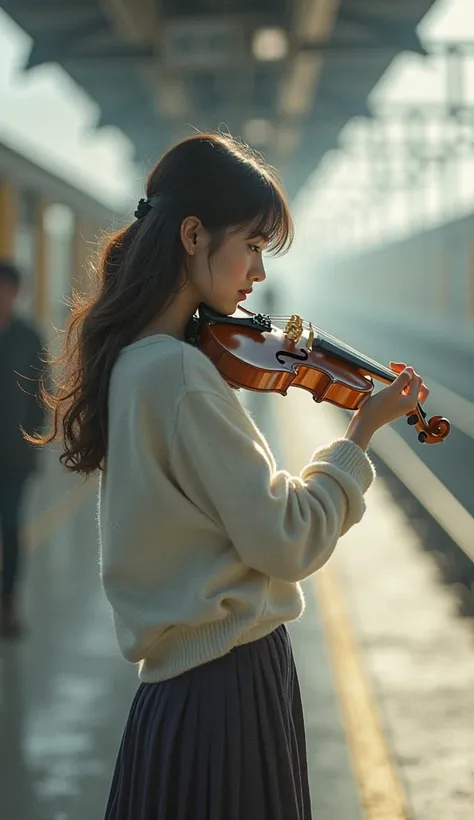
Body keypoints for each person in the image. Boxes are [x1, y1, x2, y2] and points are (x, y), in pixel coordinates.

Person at [28, 133, 428, 819]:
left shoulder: (136, 361)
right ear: (193, 235)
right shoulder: (182, 374)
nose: (259, 275)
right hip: (226, 692)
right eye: (252, 244)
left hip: (175, 698)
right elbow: (285, 541)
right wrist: (359, 434)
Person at [0, 261, 46, 638]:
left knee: (11, 529)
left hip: (14, 458)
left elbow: (40, 396)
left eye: (7, 289)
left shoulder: (29, 338)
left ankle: (8, 603)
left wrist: (34, 441)